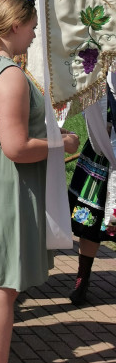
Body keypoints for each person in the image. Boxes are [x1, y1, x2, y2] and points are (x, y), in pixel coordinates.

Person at [0, 0, 79, 363]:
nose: (33, 35)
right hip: (3, 182)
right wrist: (63, 144)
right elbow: (15, 147)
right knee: (2, 286)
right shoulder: (9, 73)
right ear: (15, 26)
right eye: (31, 28)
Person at [67, 74, 116, 305]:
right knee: (90, 223)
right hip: (101, 149)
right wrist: (100, 127)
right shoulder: (104, 62)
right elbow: (91, 99)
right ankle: (82, 278)